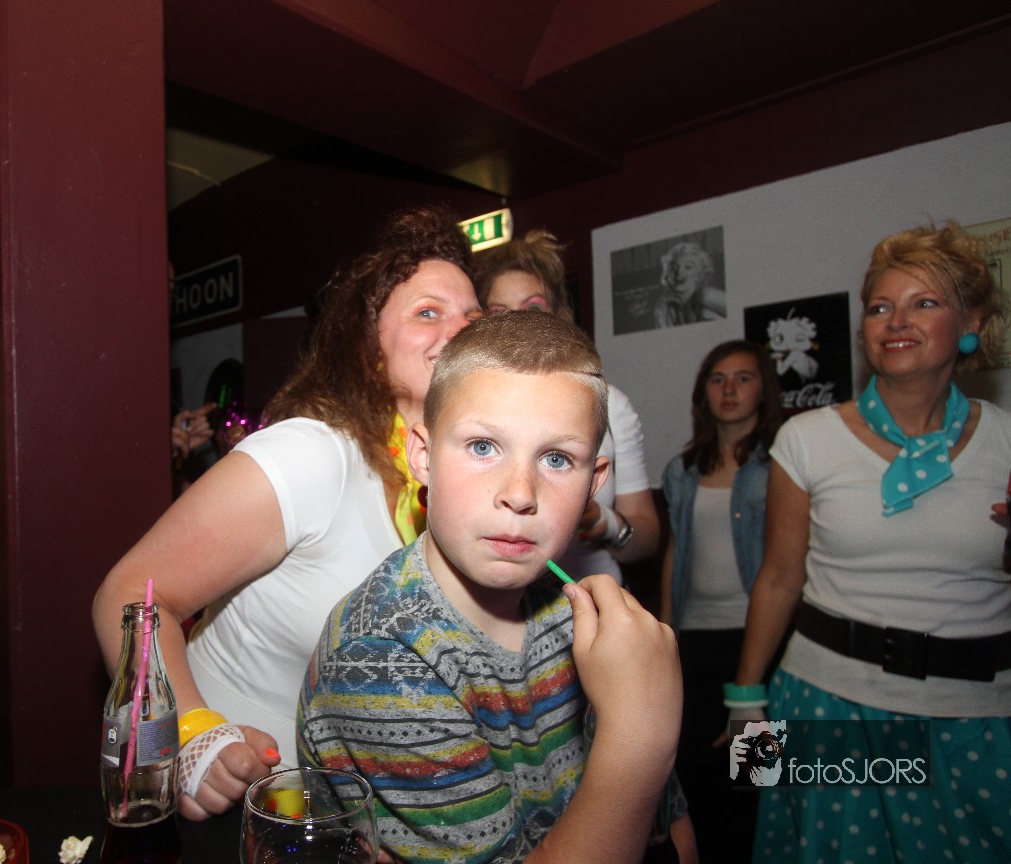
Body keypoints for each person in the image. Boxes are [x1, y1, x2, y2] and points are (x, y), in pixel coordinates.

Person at [93, 205, 481, 821]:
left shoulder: (469, 486)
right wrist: (193, 735)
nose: (460, 329)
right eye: (428, 312)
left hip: (350, 820)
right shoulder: (311, 455)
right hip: (234, 807)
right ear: (367, 347)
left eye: (473, 317)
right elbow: (128, 594)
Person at [298, 311, 692, 864]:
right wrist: (640, 737)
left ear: (594, 484)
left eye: (556, 459)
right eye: (483, 447)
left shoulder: (582, 617)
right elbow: (635, 776)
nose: (520, 493)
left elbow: (667, 825)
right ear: (422, 456)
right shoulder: (382, 655)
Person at [731, 222, 1011, 862]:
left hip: (976, 714)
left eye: (924, 303)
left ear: (971, 323)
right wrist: (744, 706)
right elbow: (778, 579)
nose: (896, 321)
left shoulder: (1006, 441)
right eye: (880, 307)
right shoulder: (807, 438)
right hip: (825, 703)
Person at [475, 229, 660, 586]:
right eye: (499, 311)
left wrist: (604, 521)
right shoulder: (465, 407)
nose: (520, 321)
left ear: (558, 314)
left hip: (592, 605)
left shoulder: (609, 403)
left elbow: (647, 540)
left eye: (533, 307)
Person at [659, 340, 783, 862]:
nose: (729, 389)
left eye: (743, 378)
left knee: (754, 782)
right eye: (717, 379)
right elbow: (674, 553)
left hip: (758, 645)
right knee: (695, 777)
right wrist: (666, 637)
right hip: (695, 645)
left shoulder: (782, 466)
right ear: (703, 393)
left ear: (763, 391)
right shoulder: (681, 470)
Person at [654, 242, 725, 328]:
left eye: (688, 267)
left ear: (700, 275)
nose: (679, 271)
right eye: (674, 267)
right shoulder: (665, 307)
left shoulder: (705, 295)